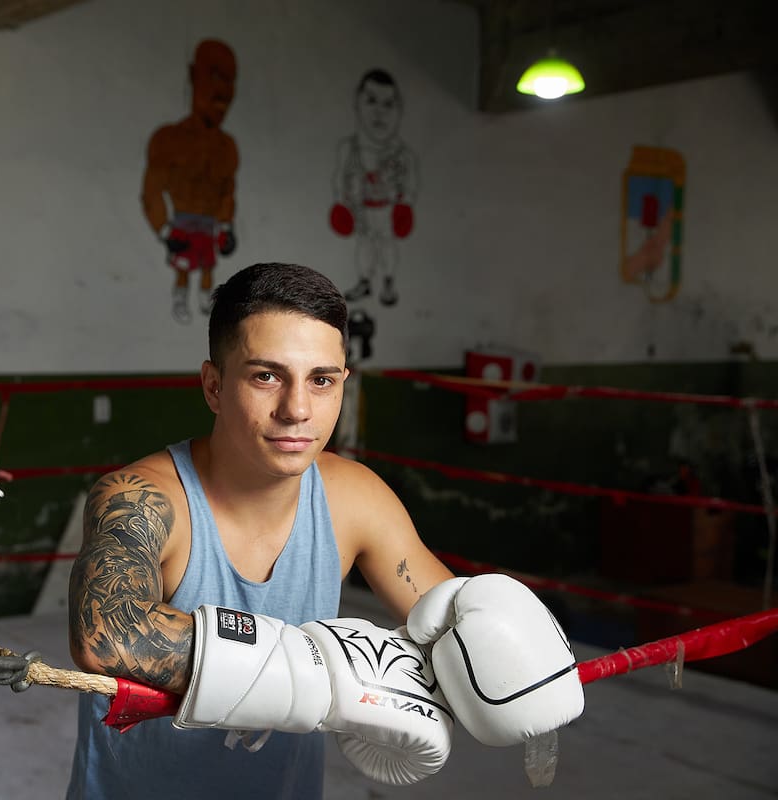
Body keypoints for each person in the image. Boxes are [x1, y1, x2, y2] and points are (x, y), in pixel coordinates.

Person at [65, 263, 585, 798]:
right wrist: (318, 672)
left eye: (321, 380)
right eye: (266, 376)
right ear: (214, 386)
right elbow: (108, 634)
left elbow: (457, 627)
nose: (297, 410)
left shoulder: (352, 498)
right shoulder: (142, 498)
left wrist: (516, 661)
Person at [141, 39, 240, 324]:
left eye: (230, 82)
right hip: (182, 224)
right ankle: (181, 300)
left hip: (208, 227)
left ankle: (206, 303)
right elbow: (151, 192)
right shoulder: (168, 140)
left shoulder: (227, 148)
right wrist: (165, 231)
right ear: (193, 75)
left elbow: (227, 193)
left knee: (208, 268)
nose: (223, 95)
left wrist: (226, 227)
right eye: (216, 77)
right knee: (183, 268)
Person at [329, 69, 418, 306]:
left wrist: (405, 206)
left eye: (388, 104)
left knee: (387, 246)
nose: (379, 111)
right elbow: (339, 179)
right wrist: (341, 204)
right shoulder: (349, 149)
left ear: (399, 111)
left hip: (387, 211)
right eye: (371, 100)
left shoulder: (403, 156)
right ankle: (365, 282)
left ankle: (388, 282)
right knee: (365, 247)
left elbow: (409, 184)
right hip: (363, 210)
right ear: (357, 104)